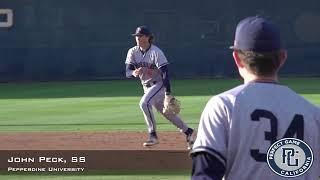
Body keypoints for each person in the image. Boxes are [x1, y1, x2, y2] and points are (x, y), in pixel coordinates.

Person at [190, 16, 320, 179]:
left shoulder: (224, 106)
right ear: (283, 58)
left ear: (237, 58)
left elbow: (205, 175)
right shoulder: (314, 114)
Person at [125, 25, 196, 149]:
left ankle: (153, 135)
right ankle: (188, 132)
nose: (137, 38)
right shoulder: (133, 51)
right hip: (146, 87)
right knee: (167, 113)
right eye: (136, 36)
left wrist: (168, 93)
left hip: (158, 85)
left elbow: (165, 73)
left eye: (140, 36)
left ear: (147, 37)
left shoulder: (156, 52)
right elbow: (128, 72)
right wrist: (134, 73)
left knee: (144, 103)